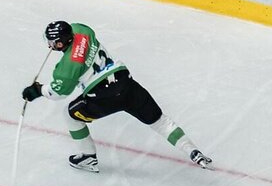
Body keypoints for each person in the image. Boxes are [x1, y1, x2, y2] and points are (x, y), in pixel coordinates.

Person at [22, 21, 212, 173]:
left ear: (60, 43)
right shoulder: (81, 30)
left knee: (69, 114)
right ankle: (193, 152)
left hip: (103, 97)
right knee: (159, 121)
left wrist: (38, 90)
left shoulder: (66, 68)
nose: (50, 45)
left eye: (52, 42)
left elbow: (58, 93)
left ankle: (88, 157)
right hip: (125, 83)